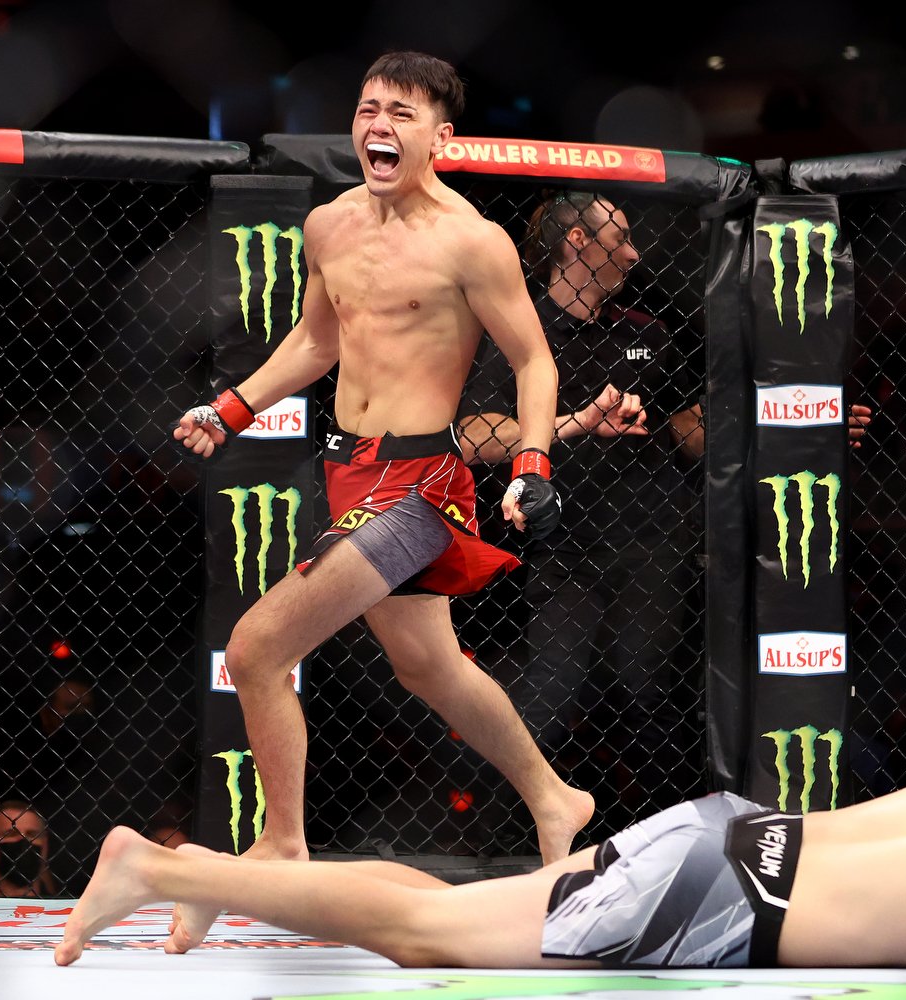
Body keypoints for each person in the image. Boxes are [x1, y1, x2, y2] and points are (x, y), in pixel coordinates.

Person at [169, 52, 593, 946]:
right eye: (369, 109)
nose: (379, 127)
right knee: (429, 668)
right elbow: (316, 342)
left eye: (402, 114)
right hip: (348, 475)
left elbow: (532, 359)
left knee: (254, 648)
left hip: (420, 484)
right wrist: (235, 408)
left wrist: (533, 463)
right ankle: (557, 797)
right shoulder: (328, 226)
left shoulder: (472, 241)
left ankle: (282, 846)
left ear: (443, 137)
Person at [457, 191, 871, 818]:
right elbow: (473, 433)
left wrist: (798, 425)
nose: (632, 252)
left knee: (647, 689)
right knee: (551, 689)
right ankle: (493, 823)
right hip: (563, 544)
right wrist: (578, 421)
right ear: (577, 243)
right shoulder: (519, 328)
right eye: (618, 237)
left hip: (650, 538)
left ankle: (668, 832)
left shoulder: (647, 332)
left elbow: (689, 428)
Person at [55, 767, 906, 970]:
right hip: (727, 906)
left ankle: (198, 870)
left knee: (456, 912)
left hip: (734, 830)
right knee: (430, 939)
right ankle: (161, 875)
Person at [0, 799, 56, 898]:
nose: (23, 840)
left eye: (32, 834)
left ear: (45, 846)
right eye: (11, 834)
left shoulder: (71, 908)